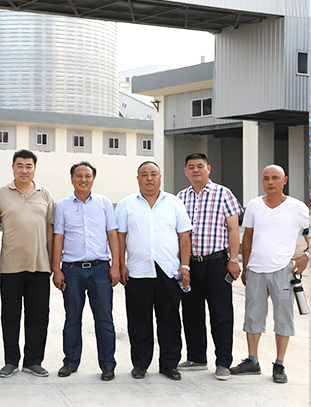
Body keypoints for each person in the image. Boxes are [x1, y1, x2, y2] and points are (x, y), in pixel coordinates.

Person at [230, 165, 309, 383]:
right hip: (256, 270)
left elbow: (308, 232)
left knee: (283, 317)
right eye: (266, 178)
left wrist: (306, 255)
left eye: (275, 178)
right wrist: (246, 266)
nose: (270, 182)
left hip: (283, 270)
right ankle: (252, 361)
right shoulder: (254, 205)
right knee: (253, 316)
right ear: (262, 181)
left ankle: (279, 364)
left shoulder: (297, 207)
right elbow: (247, 236)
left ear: (285, 180)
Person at [115, 161, 192, 381]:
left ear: (160, 177)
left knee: (169, 320)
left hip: (168, 271)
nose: (149, 178)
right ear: (138, 178)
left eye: (153, 174)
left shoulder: (174, 203)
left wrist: (185, 266)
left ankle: (169, 364)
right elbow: (120, 238)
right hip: (137, 271)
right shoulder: (126, 204)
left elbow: (184, 237)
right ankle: (140, 364)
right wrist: (121, 265)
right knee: (139, 321)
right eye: (144, 174)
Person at [176, 153, 243, 380]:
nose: (196, 170)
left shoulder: (223, 193)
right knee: (191, 313)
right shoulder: (180, 197)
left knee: (221, 315)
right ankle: (196, 357)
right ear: (186, 171)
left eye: (200, 166)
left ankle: (223, 362)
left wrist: (234, 260)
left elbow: (233, 229)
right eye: (191, 167)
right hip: (190, 265)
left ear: (208, 169)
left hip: (216, 264)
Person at [52, 161, 120, 380]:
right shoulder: (62, 206)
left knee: (104, 319)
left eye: (87, 176)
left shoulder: (104, 203)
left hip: (100, 269)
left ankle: (107, 364)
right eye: (79, 175)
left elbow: (112, 234)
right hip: (72, 270)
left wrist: (116, 266)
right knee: (72, 318)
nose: (83, 179)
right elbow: (58, 238)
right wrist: (56, 269)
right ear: (72, 179)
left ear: (93, 179)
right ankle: (70, 361)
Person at [0, 149, 55, 378]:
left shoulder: (44, 193)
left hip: (40, 266)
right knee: (10, 315)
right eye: (20, 165)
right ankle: (11, 361)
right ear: (13, 168)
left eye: (29, 166)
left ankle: (33, 361)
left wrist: (52, 261)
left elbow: (50, 228)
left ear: (34, 169)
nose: (24, 170)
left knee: (38, 315)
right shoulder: (0, 195)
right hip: (10, 267)